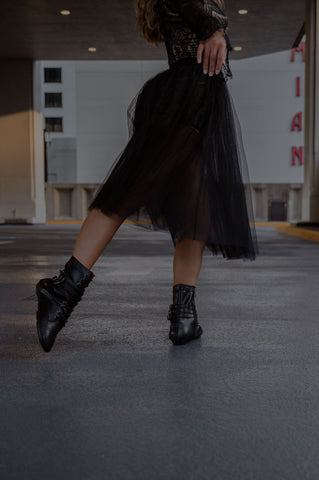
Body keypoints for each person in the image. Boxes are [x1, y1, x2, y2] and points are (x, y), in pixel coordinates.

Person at [36, 0, 259, 353]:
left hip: (198, 98)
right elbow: (199, 9)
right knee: (126, 191)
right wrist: (215, 29)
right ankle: (61, 291)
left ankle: (184, 318)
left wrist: (215, 30)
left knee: (195, 213)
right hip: (185, 94)